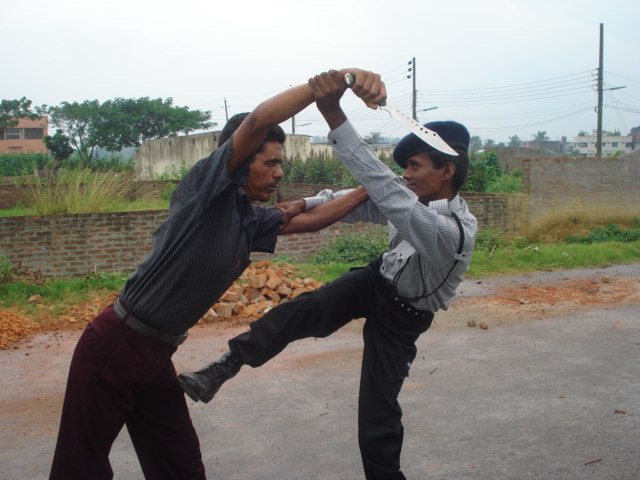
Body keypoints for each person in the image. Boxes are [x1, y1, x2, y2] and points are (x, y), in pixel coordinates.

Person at [49, 68, 384, 480]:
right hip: (116, 344)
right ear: (240, 159)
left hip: (156, 354)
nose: (279, 173)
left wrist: (380, 185)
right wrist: (329, 86)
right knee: (80, 467)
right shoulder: (205, 191)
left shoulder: (246, 218)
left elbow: (315, 221)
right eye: (271, 162)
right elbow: (259, 120)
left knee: (181, 466)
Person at [177, 70, 478, 479]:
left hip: (403, 319)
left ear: (446, 171)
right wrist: (304, 201)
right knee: (306, 307)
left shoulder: (451, 232)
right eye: (405, 166)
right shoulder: (413, 198)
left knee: (377, 413)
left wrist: (333, 113)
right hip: (378, 280)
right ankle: (224, 367)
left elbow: (383, 190)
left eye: (414, 165)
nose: (406, 174)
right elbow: (354, 202)